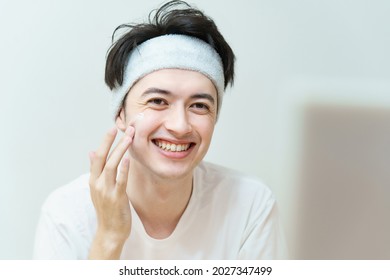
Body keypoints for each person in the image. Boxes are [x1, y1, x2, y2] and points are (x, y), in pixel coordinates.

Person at [33, 0, 286, 259]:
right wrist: (109, 238)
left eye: (199, 105)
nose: (179, 126)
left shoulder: (249, 205)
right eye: (157, 101)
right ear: (120, 113)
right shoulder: (67, 215)